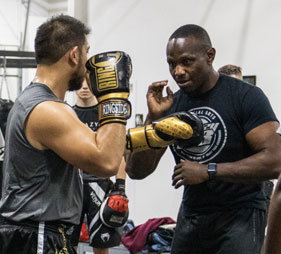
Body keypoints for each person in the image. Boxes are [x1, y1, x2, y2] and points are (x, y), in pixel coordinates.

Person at [125, 24, 281, 254]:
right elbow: (137, 171)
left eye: (187, 62)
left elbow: (275, 161)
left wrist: (208, 170)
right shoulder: (173, 105)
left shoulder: (244, 96)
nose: (178, 71)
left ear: (210, 56)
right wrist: (153, 119)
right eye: (171, 63)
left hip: (240, 212)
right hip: (193, 213)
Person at [0, 14, 131, 254]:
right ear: (74, 55)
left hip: (41, 233)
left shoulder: (36, 103)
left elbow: (95, 143)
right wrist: (115, 97)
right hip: (38, 234)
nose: (87, 62)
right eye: (86, 52)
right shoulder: (47, 110)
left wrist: (149, 134)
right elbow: (107, 161)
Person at [70, 79, 128, 254]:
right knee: (67, 242)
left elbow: (119, 152)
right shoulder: (68, 115)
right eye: (80, 83)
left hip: (101, 185)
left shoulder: (107, 116)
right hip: (73, 186)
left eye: (89, 83)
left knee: (101, 244)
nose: (85, 87)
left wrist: (120, 187)